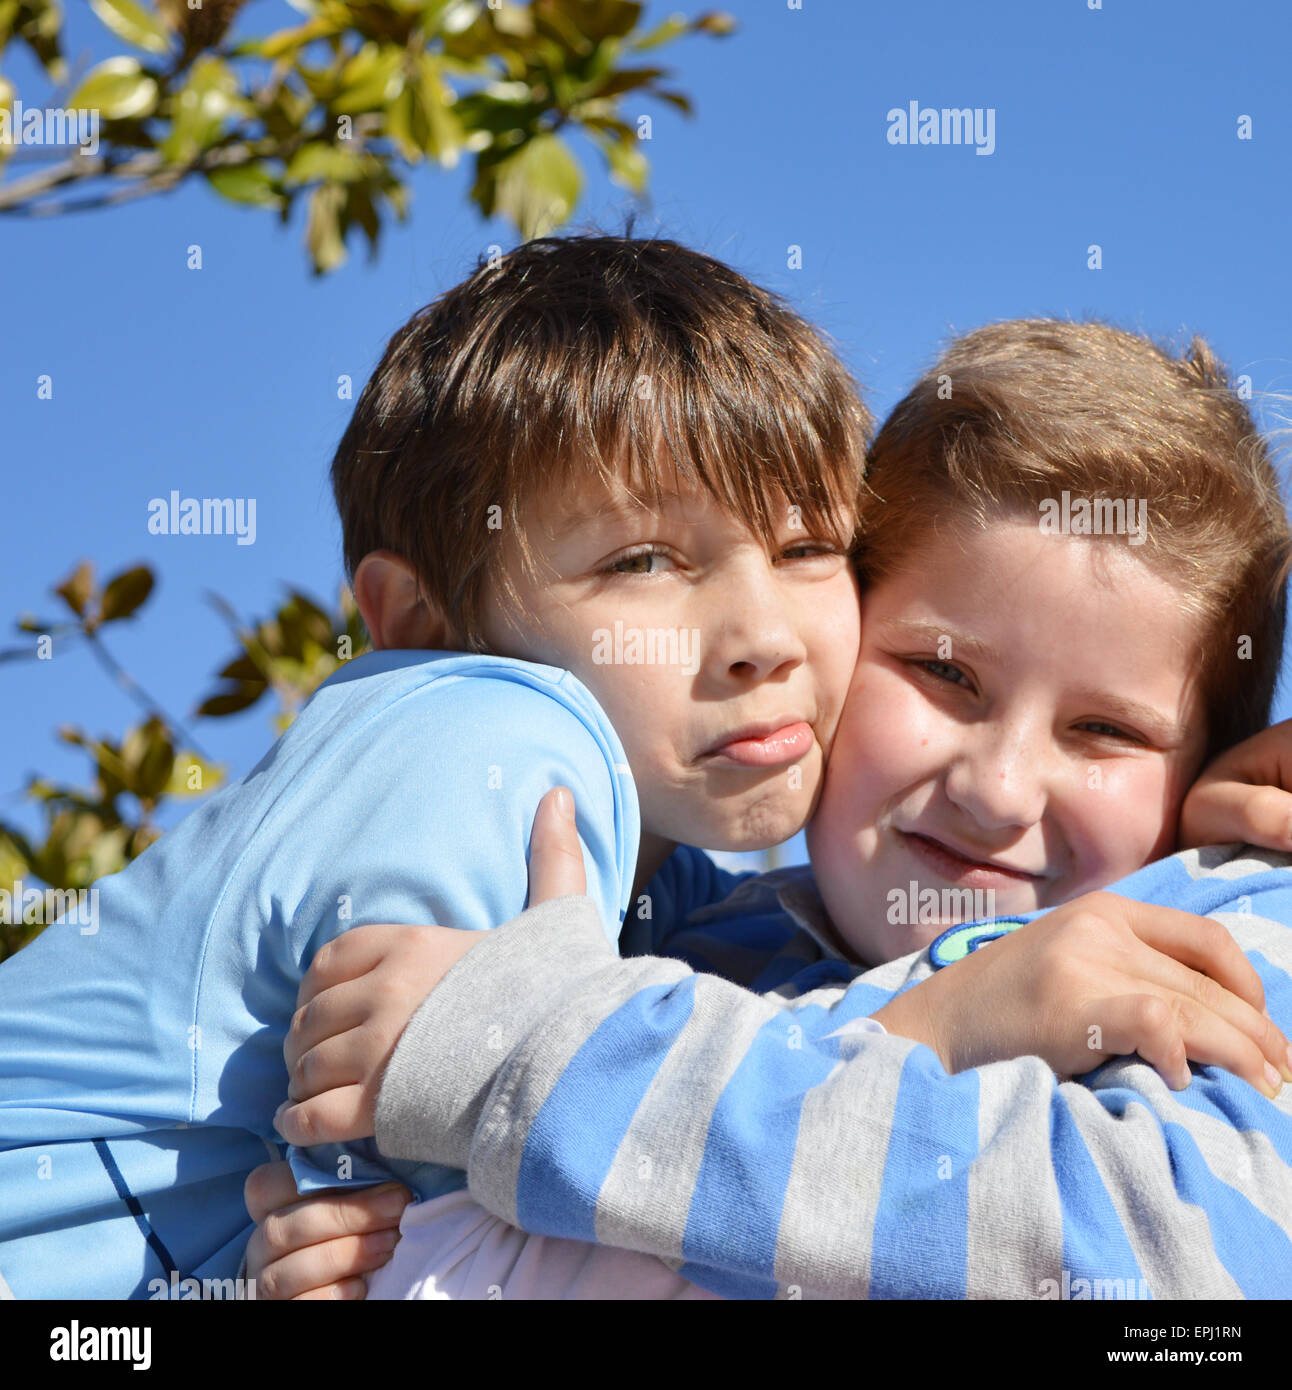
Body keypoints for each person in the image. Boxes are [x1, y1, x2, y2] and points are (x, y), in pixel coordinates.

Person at [256, 320, 1292, 1299]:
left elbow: (1169, 1269)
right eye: (942, 672)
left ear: (1205, 766)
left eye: (1106, 731)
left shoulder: (1226, 929)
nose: (996, 788)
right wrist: (404, 1252)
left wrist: (537, 1060)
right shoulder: (696, 940)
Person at [0, 234, 872, 1297]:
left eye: (807, 547)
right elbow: (465, 1245)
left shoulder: (666, 886)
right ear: (421, 620)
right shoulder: (495, 737)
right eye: (641, 560)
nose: (764, 638)